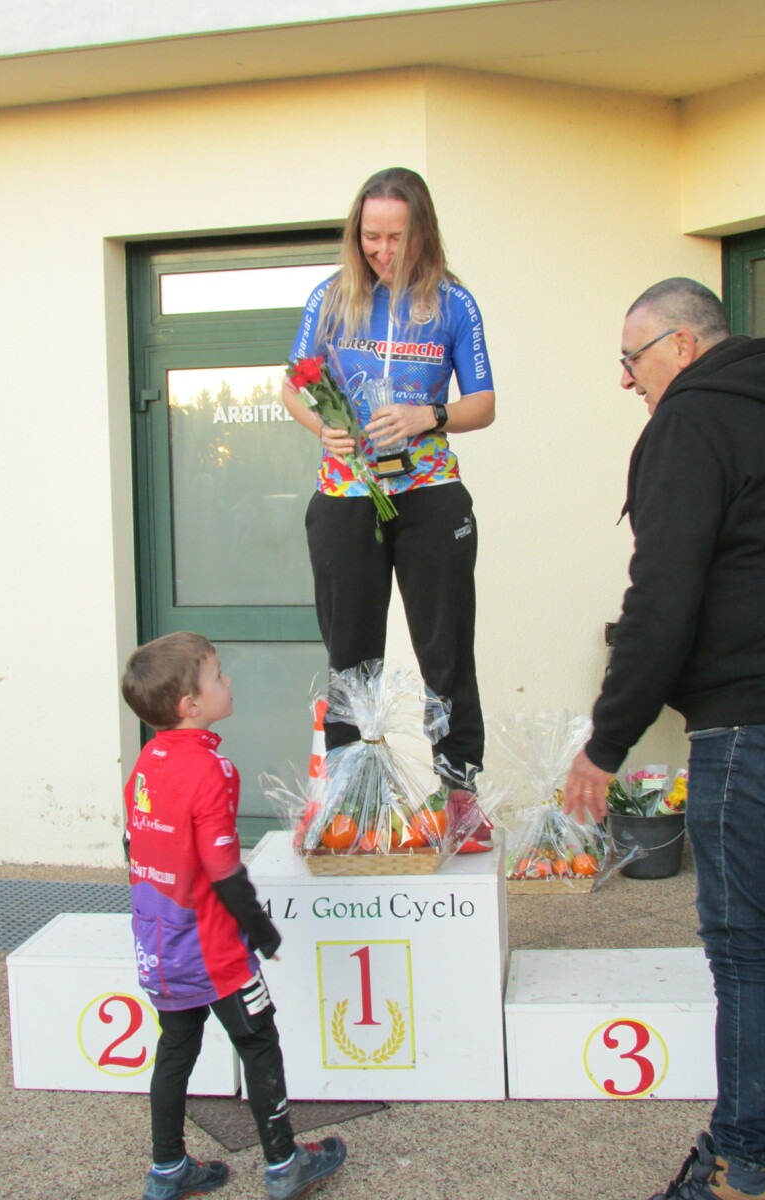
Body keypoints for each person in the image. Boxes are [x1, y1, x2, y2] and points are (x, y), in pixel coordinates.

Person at [563, 278, 765, 1200]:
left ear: (680, 345)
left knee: (747, 949)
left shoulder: (690, 420)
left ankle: (738, 1163)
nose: (625, 379)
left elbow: (662, 597)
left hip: (754, 725)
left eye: (630, 359)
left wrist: (606, 742)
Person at [283, 166, 496, 842]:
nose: (381, 250)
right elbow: (292, 385)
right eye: (370, 237)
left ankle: (459, 791)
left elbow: (484, 404)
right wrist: (322, 427)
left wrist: (427, 415)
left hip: (429, 493)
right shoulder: (330, 297)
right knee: (350, 656)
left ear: (422, 231)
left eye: (395, 237)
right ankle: (349, 801)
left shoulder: (454, 304)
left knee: (446, 649)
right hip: (347, 493)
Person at [121, 632, 347, 1200]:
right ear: (189, 705)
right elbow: (223, 870)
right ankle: (284, 1165)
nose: (229, 681)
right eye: (218, 675)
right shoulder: (212, 769)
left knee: (175, 1049)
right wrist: (262, 931)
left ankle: (167, 1171)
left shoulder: (148, 761)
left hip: (158, 941)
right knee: (258, 1039)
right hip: (213, 946)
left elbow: (133, 844)